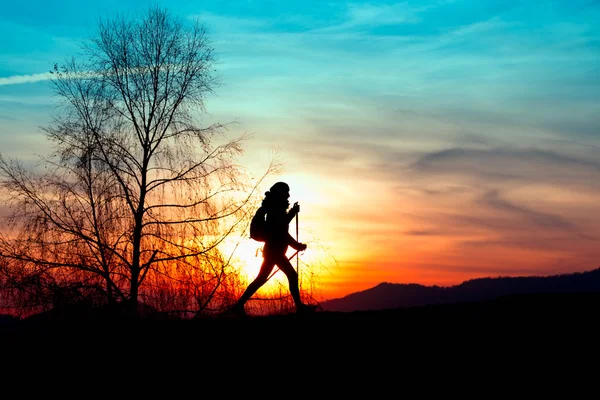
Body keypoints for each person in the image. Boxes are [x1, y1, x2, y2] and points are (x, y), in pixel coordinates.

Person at [230, 182, 318, 316]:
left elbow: (280, 227)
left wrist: (292, 213)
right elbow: (281, 230)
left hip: (272, 250)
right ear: (280, 193)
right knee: (291, 275)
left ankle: (239, 305)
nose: (288, 195)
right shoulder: (275, 209)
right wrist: (296, 245)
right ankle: (299, 307)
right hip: (274, 251)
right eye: (286, 192)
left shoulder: (274, 208)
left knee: (261, 279)